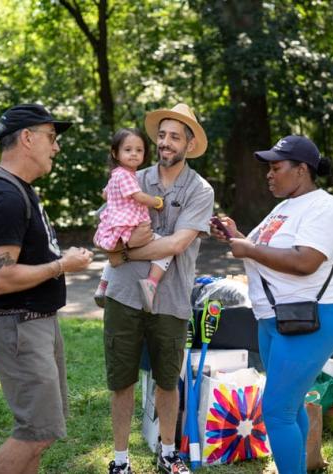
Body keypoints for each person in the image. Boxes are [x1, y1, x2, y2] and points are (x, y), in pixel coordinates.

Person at [211, 136, 333, 474]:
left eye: (276, 167)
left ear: (302, 170)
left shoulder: (325, 206)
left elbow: (305, 261)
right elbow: (263, 250)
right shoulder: (284, 207)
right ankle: (299, 465)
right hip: (275, 321)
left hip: (310, 322)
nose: (269, 175)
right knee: (289, 405)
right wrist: (235, 234)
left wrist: (249, 248)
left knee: (276, 410)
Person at [0, 103, 93, 474]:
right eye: (51, 138)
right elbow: (1, 277)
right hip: (18, 326)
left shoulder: (18, 190)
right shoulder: (4, 196)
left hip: (34, 324)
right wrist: (62, 265)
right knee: (35, 433)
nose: (56, 147)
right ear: (27, 138)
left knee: (42, 431)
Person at [99, 104, 214, 474]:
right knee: (122, 381)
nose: (164, 143)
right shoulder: (131, 177)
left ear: (189, 143)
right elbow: (105, 234)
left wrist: (125, 251)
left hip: (172, 299)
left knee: (168, 380)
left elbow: (177, 245)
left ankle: (168, 452)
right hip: (124, 295)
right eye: (161, 135)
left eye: (174, 137)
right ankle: (120, 460)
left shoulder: (200, 190)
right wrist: (114, 251)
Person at [93, 128, 173, 312]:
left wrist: (116, 201)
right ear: (115, 153)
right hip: (129, 223)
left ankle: (103, 284)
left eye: (139, 150)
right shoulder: (126, 175)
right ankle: (151, 283)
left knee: (116, 251)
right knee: (166, 247)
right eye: (128, 150)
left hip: (114, 222)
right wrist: (157, 202)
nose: (134, 154)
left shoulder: (116, 174)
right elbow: (138, 197)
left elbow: (105, 194)